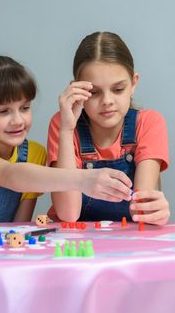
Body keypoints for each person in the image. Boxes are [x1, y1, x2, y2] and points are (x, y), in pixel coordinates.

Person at [0, 55, 132, 224]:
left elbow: (18, 227)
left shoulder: (33, 154)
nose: (17, 121)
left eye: (24, 108)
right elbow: (10, 175)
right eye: (3, 111)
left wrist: (67, 128)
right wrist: (84, 179)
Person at [47, 31, 170, 225]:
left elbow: (140, 207)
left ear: (133, 83)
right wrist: (66, 130)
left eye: (118, 89)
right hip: (75, 243)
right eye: (94, 92)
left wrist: (155, 211)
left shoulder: (148, 123)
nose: (107, 101)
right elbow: (68, 213)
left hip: (125, 241)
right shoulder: (63, 123)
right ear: (77, 90)